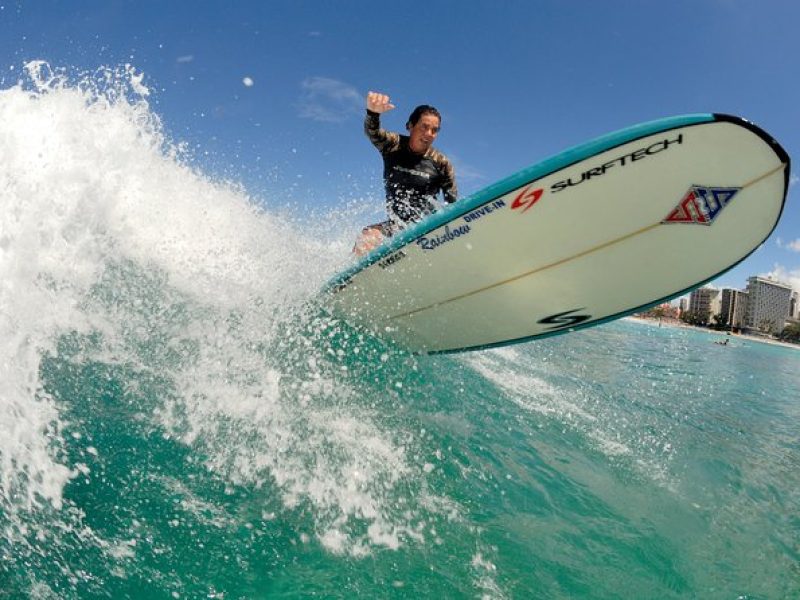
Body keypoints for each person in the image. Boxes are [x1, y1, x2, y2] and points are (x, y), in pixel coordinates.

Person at [353, 91, 458, 255]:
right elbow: (372, 132)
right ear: (410, 126)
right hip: (397, 227)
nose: (429, 134)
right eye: (424, 127)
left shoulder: (441, 163)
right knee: (368, 235)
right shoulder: (393, 145)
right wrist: (373, 113)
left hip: (429, 228)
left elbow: (453, 204)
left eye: (434, 130)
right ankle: (351, 280)